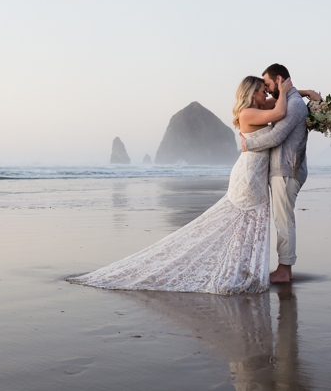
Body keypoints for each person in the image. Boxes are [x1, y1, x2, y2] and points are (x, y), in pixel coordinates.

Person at [71, 75, 298, 294]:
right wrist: (285, 91)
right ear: (251, 94)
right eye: (262, 91)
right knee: (244, 223)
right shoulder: (248, 112)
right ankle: (240, 270)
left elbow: (277, 105)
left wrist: (301, 92)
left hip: (254, 173)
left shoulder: (256, 108)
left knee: (247, 225)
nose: (266, 93)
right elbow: (279, 110)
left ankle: (243, 268)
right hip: (249, 175)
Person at [239, 63, 318, 284]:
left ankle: (284, 271)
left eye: (268, 84)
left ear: (279, 80)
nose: (266, 89)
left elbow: (275, 137)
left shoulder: (292, 105)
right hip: (285, 168)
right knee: (283, 220)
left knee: (284, 221)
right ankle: (285, 269)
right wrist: (306, 91)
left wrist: (249, 144)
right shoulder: (290, 100)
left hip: (286, 170)